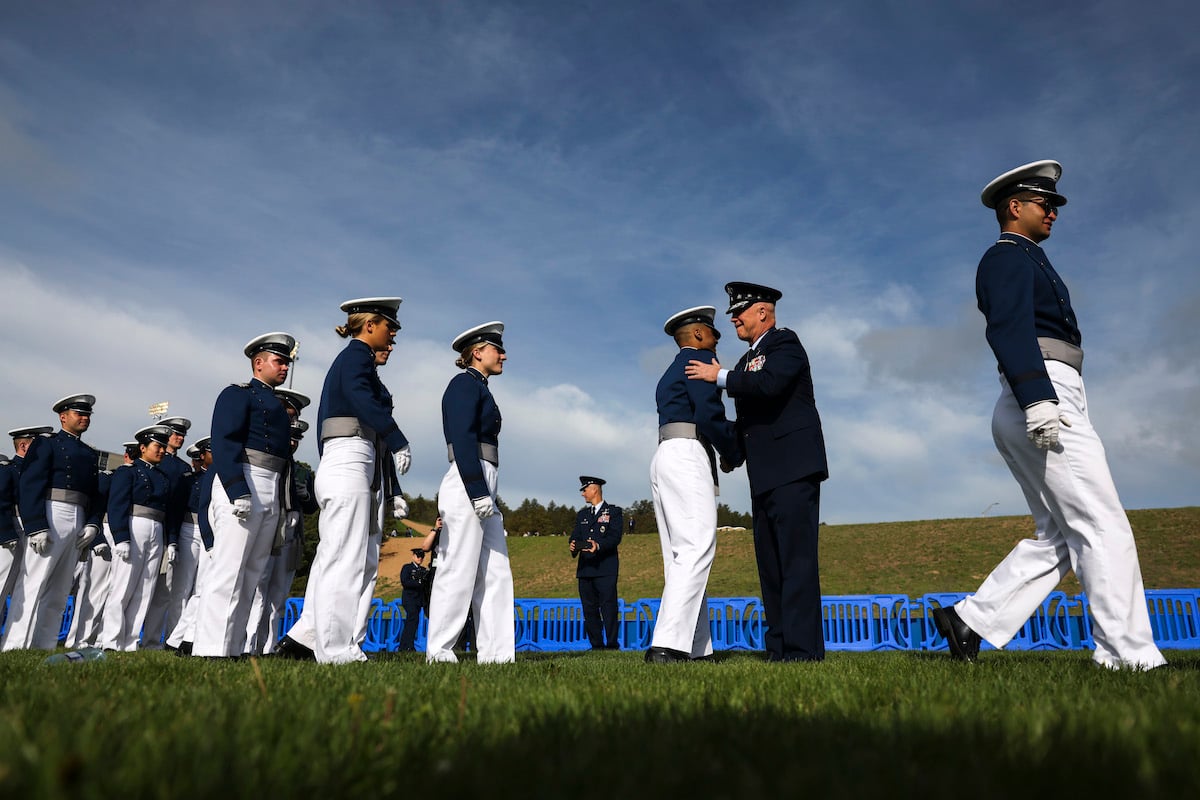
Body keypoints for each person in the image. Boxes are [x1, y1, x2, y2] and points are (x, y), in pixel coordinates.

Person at [930, 160, 1165, 670]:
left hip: (1044, 389)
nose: (1054, 212)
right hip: (1040, 390)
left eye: (1055, 204)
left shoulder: (1027, 257)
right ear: (1015, 208)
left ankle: (972, 619)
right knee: (1103, 525)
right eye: (1045, 203)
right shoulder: (1007, 256)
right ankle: (1128, 655)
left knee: (1061, 535)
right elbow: (1008, 328)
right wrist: (1038, 398)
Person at [686, 285, 829, 662]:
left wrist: (719, 376)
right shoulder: (751, 358)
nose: (734, 317)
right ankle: (779, 647)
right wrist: (733, 452)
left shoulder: (784, 344)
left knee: (796, 563)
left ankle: (802, 651)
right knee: (771, 565)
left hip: (794, 468)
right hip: (765, 473)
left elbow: (769, 386)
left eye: (741, 311)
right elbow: (750, 420)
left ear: (763, 312)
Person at [278, 298, 410, 664]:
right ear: (369, 325)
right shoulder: (356, 356)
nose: (394, 332)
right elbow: (360, 398)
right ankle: (335, 649)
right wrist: (397, 437)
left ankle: (309, 638)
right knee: (344, 558)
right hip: (350, 457)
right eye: (389, 325)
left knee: (341, 555)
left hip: (356, 459)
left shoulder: (359, 359)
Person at [647, 307, 743, 663]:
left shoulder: (671, 369)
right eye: (715, 333)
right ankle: (667, 645)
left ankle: (696, 647)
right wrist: (732, 450)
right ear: (700, 335)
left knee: (681, 556)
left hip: (666, 453)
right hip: (688, 452)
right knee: (697, 548)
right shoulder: (700, 359)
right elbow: (708, 414)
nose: (719, 340)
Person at [193, 332, 296, 658]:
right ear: (258, 362)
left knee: (251, 573)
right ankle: (210, 648)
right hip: (245, 482)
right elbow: (225, 442)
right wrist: (238, 489)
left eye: (286, 362)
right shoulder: (237, 395)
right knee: (228, 570)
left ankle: (232, 647)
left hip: (269, 487)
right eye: (279, 361)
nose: (285, 367)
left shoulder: (277, 406)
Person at [425, 321, 515, 664]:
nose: (504, 355)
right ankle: (440, 650)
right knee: (458, 566)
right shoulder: (463, 384)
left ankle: (497, 654)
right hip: (468, 478)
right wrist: (477, 490)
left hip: (482, 477)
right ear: (477, 352)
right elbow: (462, 438)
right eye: (497, 349)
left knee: (496, 570)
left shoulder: (480, 386)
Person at [3, 395, 103, 652]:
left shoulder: (90, 454)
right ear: (63, 416)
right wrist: (36, 525)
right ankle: (15, 645)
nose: (85, 418)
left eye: (88, 414)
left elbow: (95, 495)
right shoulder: (46, 445)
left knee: (60, 589)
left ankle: (43, 645)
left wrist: (92, 523)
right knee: (34, 582)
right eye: (79, 413)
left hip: (78, 516)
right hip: (52, 511)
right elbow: (31, 484)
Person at [98, 425, 172, 652]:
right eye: (157, 446)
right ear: (143, 447)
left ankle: (129, 642)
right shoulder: (127, 472)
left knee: (145, 588)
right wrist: (121, 537)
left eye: (163, 447)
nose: (161, 451)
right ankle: (111, 641)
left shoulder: (162, 476)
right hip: (134, 526)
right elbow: (117, 505)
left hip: (156, 528)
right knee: (122, 586)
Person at [141, 415, 194, 649]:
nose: (179, 438)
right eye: (175, 433)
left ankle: (153, 640)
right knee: (136, 587)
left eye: (182, 435)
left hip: (171, 530)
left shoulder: (184, 469)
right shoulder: (157, 463)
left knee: (165, 591)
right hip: (150, 525)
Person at [0, 426, 53, 619]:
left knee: (25, 584)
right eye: (36, 445)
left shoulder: (38, 471)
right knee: (2, 581)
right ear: (23, 445)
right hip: (11, 530)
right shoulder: (9, 469)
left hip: (31, 528)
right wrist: (5, 534)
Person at [570, 476, 623, 650]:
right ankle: (596, 645)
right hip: (585, 569)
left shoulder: (613, 512)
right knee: (589, 608)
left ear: (594, 489)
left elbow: (615, 537)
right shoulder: (582, 515)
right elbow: (575, 536)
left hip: (605, 568)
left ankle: (612, 644)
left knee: (608, 608)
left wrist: (598, 545)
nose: (583, 494)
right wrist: (573, 545)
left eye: (585, 490)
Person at [398, 547, 429, 651]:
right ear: (413, 556)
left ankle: (408, 645)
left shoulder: (423, 570)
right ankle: (406, 646)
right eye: (418, 556)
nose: (420, 558)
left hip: (419, 600)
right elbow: (405, 582)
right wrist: (419, 583)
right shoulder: (407, 568)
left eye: (422, 557)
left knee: (414, 622)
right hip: (410, 599)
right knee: (411, 621)